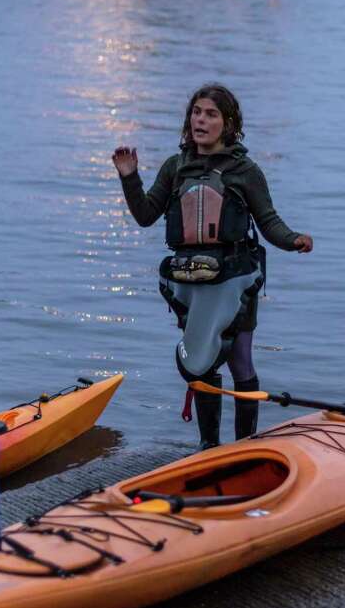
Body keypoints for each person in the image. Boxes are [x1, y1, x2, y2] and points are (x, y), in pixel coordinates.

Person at [113, 85, 312, 449]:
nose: (201, 120)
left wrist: (293, 239)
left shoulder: (244, 170)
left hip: (237, 276)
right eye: (197, 112)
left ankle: (245, 446)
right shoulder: (175, 167)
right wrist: (129, 176)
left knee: (239, 359)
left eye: (211, 114)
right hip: (191, 280)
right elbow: (145, 216)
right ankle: (209, 447)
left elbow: (269, 222)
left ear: (229, 122)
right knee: (202, 364)